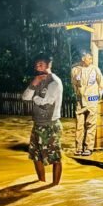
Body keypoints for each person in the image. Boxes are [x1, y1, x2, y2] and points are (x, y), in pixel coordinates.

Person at [22, 54, 64, 185]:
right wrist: (33, 84)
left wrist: (35, 98)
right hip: (37, 124)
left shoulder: (54, 82)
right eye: (36, 65)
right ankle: (41, 184)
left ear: (49, 65)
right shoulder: (37, 80)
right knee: (36, 156)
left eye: (40, 64)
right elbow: (25, 97)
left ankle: (54, 187)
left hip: (50, 125)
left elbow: (46, 104)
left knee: (55, 157)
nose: (37, 67)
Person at [70, 50, 103, 156]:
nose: (91, 60)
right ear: (83, 58)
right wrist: (78, 94)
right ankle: (79, 148)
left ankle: (89, 148)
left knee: (91, 124)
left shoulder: (95, 69)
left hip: (92, 101)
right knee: (79, 125)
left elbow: (102, 83)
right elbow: (74, 84)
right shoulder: (75, 70)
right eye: (89, 58)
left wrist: (98, 96)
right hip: (80, 101)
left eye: (91, 58)